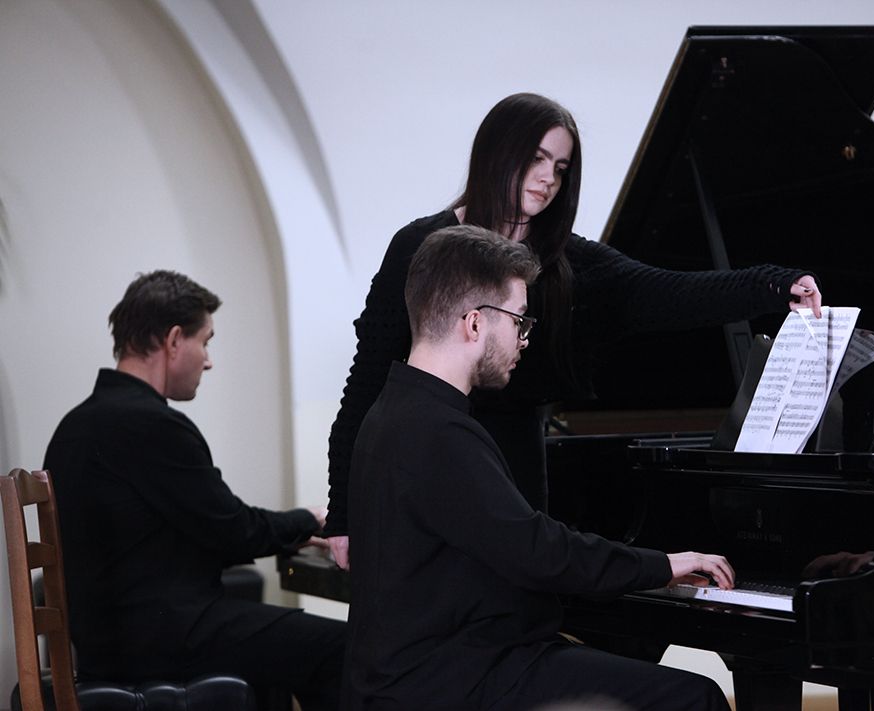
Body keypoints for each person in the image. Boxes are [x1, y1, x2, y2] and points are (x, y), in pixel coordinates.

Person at [325, 91, 823, 570]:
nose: (549, 179)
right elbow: (365, 383)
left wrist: (773, 286)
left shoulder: (572, 262)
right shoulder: (420, 246)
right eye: (537, 159)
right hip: (424, 465)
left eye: (561, 168)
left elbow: (672, 292)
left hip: (514, 471)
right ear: (497, 153)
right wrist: (342, 514)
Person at [346, 224, 736, 710]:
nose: (524, 339)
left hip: (419, 668)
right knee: (695, 697)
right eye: (520, 321)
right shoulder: (439, 432)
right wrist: (664, 565)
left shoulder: (393, 412)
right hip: (445, 678)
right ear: (474, 324)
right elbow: (538, 551)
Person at [43, 270, 345, 711]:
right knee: (341, 647)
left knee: (285, 643)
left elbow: (191, 531)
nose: (208, 361)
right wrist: (309, 519)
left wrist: (285, 529)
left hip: (106, 642)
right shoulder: (151, 425)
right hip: (158, 640)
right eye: (205, 341)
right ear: (173, 340)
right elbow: (233, 530)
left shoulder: (74, 426)